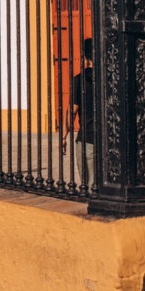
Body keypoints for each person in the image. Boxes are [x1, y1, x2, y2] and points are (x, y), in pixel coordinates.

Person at [64, 38, 95, 191]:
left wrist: (64, 136)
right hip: (106, 142)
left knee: (86, 185)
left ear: (85, 57)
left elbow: (72, 111)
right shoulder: (109, 78)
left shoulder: (80, 79)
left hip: (85, 139)